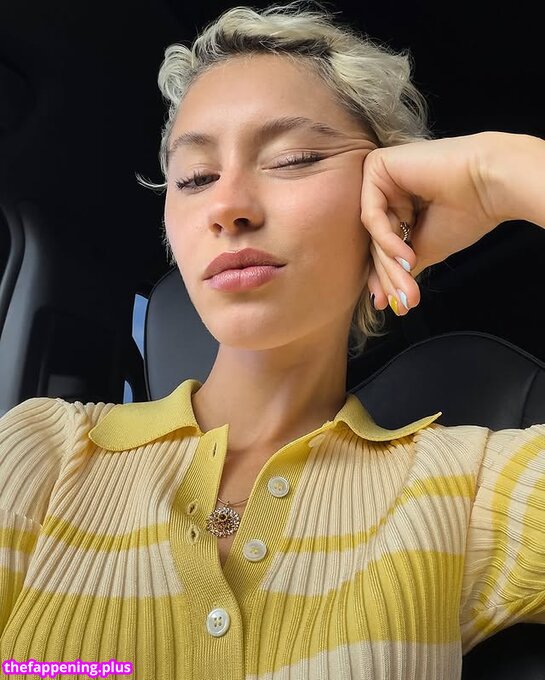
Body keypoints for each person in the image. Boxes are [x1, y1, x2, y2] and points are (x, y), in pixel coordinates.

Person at [1, 1, 544, 678]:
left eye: (293, 159)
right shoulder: (41, 451)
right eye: (195, 178)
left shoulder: (467, 488)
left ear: (393, 202)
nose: (226, 207)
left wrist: (499, 174)